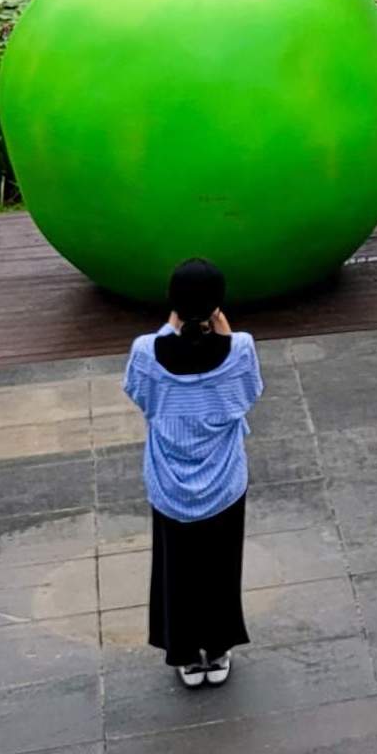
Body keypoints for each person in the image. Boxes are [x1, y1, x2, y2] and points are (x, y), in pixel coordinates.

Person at [122, 258, 262, 688]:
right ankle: (218, 649)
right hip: (223, 484)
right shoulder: (240, 349)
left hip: (169, 485)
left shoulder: (147, 352)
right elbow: (248, 393)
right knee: (221, 566)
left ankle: (184, 652)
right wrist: (222, 327)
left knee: (175, 568)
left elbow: (141, 396)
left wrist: (171, 327)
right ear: (218, 304)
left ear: (173, 303)